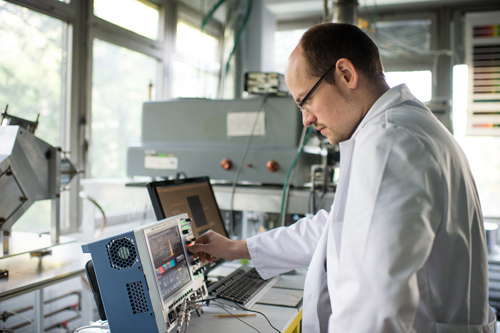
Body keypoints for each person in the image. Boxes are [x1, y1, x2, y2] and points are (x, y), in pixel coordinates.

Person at [188, 23, 496, 332]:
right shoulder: (398, 128)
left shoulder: (389, 141)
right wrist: (236, 248)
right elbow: (334, 228)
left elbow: (375, 306)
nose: (306, 118)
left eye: (305, 100)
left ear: (345, 74)